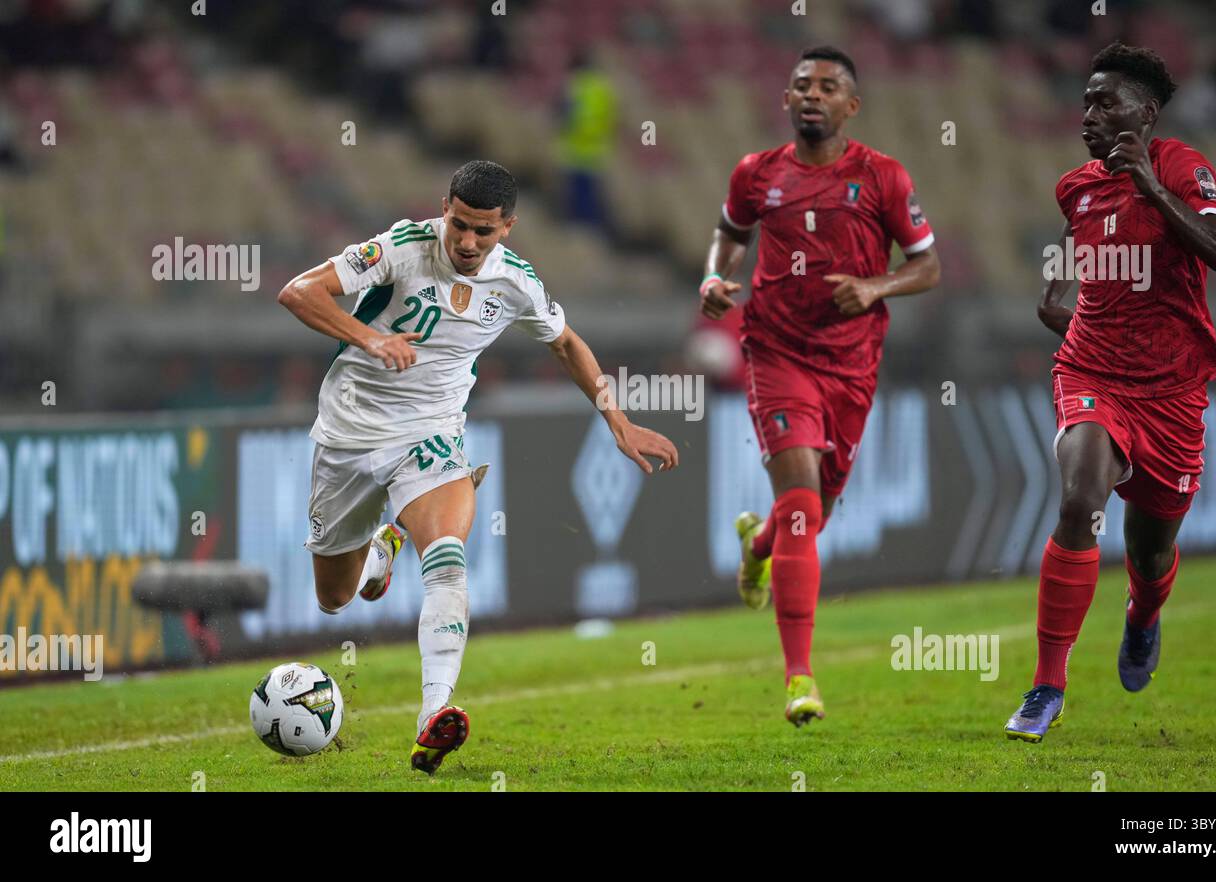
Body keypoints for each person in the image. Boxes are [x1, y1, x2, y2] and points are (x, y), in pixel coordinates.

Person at [277, 160, 678, 773]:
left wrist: (617, 420)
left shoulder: (515, 283)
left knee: (447, 556)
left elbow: (567, 343)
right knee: (334, 599)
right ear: (445, 208)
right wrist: (370, 337)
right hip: (348, 433)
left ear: (507, 228)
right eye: (458, 225)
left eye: (482, 232)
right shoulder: (402, 247)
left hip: (431, 433)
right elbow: (298, 292)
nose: (466, 242)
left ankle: (432, 714)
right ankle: (386, 542)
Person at [1005, 43, 1216, 742]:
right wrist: (1059, 299)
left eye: (1104, 101)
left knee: (1148, 554)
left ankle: (1143, 615)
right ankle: (1047, 685)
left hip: (1172, 390)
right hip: (1092, 373)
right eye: (1084, 100)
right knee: (1079, 499)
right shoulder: (1074, 186)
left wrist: (1152, 189)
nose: (1088, 113)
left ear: (1144, 113)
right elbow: (1065, 267)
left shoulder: (1181, 167)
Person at [699, 46, 941, 727]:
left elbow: (927, 267)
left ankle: (756, 548)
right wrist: (713, 278)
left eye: (828, 86)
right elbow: (728, 233)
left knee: (814, 511)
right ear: (786, 100)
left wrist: (875, 285)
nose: (812, 94)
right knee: (803, 504)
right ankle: (800, 677)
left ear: (851, 106)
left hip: (852, 365)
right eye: (802, 84)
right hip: (776, 351)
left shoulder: (883, 177)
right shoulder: (756, 173)